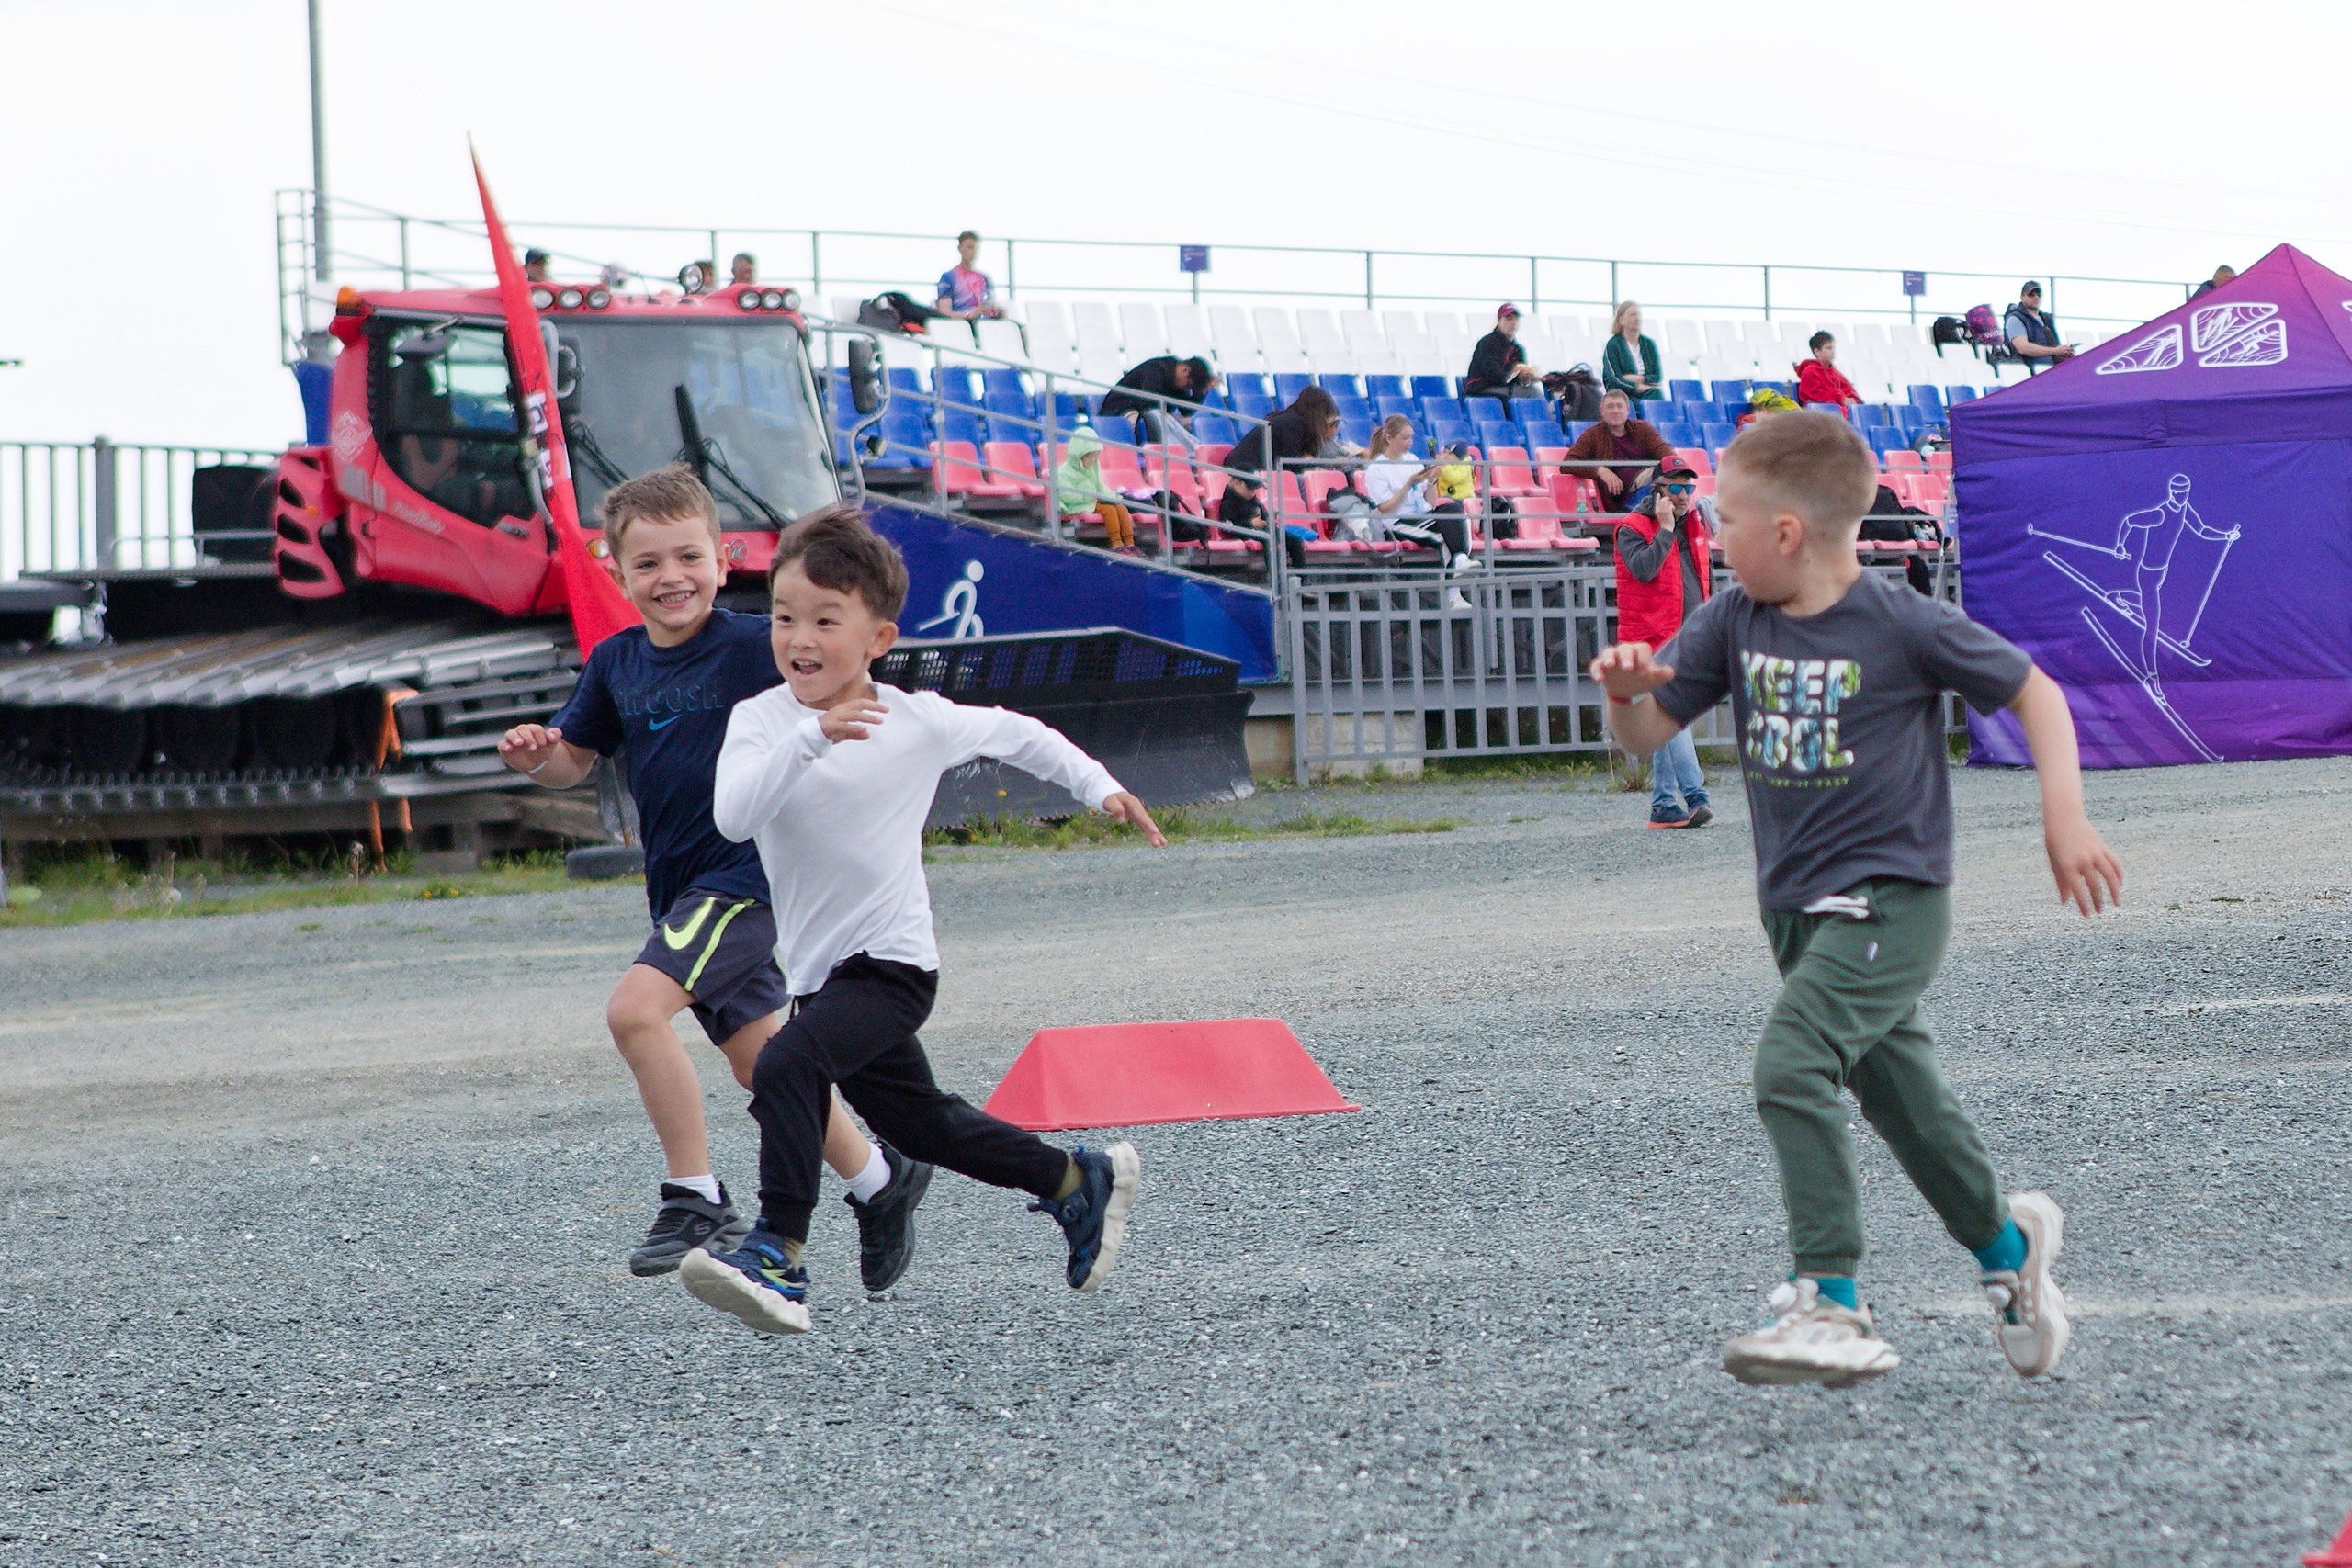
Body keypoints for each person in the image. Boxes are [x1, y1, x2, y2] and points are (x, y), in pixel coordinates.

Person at [1589, 409, 2120, 1388]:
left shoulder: (1899, 621)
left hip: (1891, 903)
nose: (1713, 535)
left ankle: (1830, 1298)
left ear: (1787, 532)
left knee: (1792, 1065)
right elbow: (1648, 732)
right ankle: (2011, 1254)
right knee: (1903, 1103)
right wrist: (1625, 695)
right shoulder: (1732, 621)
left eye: (1726, 521)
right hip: (1796, 911)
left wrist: (2065, 817)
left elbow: (2034, 693)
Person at [687, 504, 1159, 1335]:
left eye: (826, 620)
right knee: (924, 1125)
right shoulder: (760, 722)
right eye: (785, 617)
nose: (799, 638)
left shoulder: (918, 720)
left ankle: (778, 1253)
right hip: (821, 975)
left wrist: (1099, 786)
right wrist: (811, 737)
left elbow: (1018, 734)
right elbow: (734, 815)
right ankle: (1074, 1181)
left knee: (785, 1064)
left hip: (894, 966)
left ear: (878, 638)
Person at [496, 467, 931, 1290]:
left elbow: (837, 677)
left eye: (688, 557)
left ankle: (694, 1195)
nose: (672, 577)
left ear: (724, 559)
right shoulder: (615, 662)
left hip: (746, 883)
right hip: (681, 892)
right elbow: (572, 761)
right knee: (764, 1064)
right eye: (649, 563)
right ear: (616, 570)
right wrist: (535, 758)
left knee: (635, 1012)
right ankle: (881, 1180)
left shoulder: (754, 646)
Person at [1612, 461, 1713, 829]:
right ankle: (1696, 796)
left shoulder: (1694, 524)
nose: (1684, 495)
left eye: (1689, 488)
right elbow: (1644, 570)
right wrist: (1666, 530)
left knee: (1668, 720)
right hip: (1650, 640)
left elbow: (1703, 578)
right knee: (1673, 718)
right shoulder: (1630, 528)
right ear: (1657, 491)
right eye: (1676, 488)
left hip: (1686, 637)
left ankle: (1663, 805)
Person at [1217, 387, 1340, 570]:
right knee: (1300, 480)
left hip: (1258, 467)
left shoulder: (1293, 420)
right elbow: (1290, 463)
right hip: (1245, 467)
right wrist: (1312, 466)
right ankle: (1309, 521)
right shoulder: (1294, 422)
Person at [1362, 416, 1474, 575]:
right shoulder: (1377, 468)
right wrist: (1409, 484)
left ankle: (1461, 559)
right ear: (1389, 438)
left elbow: (1431, 502)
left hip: (1421, 515)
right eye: (1405, 438)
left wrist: (1432, 480)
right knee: (1443, 538)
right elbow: (1385, 509)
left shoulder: (1412, 459)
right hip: (1397, 522)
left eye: (1411, 437)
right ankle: (1453, 585)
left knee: (1452, 509)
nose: (1410, 442)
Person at [1561, 388, 1677, 512]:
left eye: (1619, 406)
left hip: (1650, 482)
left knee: (1671, 478)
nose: (1615, 411)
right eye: (1610, 406)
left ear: (1628, 410)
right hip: (1622, 499)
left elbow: (1662, 448)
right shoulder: (1592, 435)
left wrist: (1674, 465)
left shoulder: (1643, 429)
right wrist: (1600, 470)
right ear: (1602, 411)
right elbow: (1568, 463)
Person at [1055, 424, 1141, 556]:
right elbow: (1065, 494)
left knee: (1121, 508)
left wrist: (1114, 497)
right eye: (1090, 457)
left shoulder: (1093, 466)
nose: (1093, 460)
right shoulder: (1063, 472)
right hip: (1080, 503)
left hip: (1094, 500)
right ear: (1079, 455)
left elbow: (1101, 486)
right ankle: (1117, 544)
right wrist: (1087, 496)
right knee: (1109, 510)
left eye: (1095, 457)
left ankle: (1130, 543)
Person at [1098, 355, 1219, 446]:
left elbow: (1186, 410)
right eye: (1189, 385)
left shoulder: (1176, 379)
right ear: (1185, 371)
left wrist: (1202, 391)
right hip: (1120, 410)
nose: (1188, 388)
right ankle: (1182, 449)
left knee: (1167, 419)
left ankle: (1188, 448)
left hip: (1146, 413)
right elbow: (1147, 404)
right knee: (1159, 417)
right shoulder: (1155, 371)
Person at [1465, 304, 1542, 400]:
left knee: (1531, 390)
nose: (1513, 323)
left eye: (1516, 319)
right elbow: (1492, 373)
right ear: (1499, 321)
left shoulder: (1518, 349)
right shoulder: (1487, 343)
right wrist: (1514, 376)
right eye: (1509, 319)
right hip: (1482, 389)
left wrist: (1526, 377)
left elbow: (1518, 375)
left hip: (1503, 389)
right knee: (1533, 393)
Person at [1601, 300, 1665, 400]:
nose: (1637, 318)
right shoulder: (1613, 345)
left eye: (1639, 315)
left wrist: (1639, 379)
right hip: (1623, 394)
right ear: (1621, 320)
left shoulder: (1649, 344)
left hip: (1649, 391)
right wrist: (1637, 387)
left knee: (1656, 395)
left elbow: (1658, 377)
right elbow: (1615, 380)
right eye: (1632, 315)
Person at [2003, 282, 2073, 372]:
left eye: (2038, 294)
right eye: (2031, 294)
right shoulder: (2015, 319)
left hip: (2052, 370)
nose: (2036, 297)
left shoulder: (2047, 319)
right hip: (2031, 373)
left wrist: (2064, 352)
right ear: (2022, 297)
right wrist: (2055, 351)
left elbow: (2054, 345)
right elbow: (2023, 348)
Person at [934, 231, 1005, 321]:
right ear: (960, 248)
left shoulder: (984, 278)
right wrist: (970, 315)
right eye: (970, 247)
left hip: (985, 321)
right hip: (964, 322)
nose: (974, 252)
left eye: (976, 248)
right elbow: (944, 311)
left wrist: (996, 311)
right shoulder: (949, 277)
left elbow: (990, 303)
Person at [1795, 332, 1863, 411]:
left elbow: (1848, 390)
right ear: (1817, 351)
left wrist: (1853, 400)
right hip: (1822, 413)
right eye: (1829, 348)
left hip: (1840, 411)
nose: (1833, 351)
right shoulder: (1809, 372)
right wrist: (1841, 399)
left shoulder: (1835, 373)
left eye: (1833, 348)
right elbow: (1815, 395)